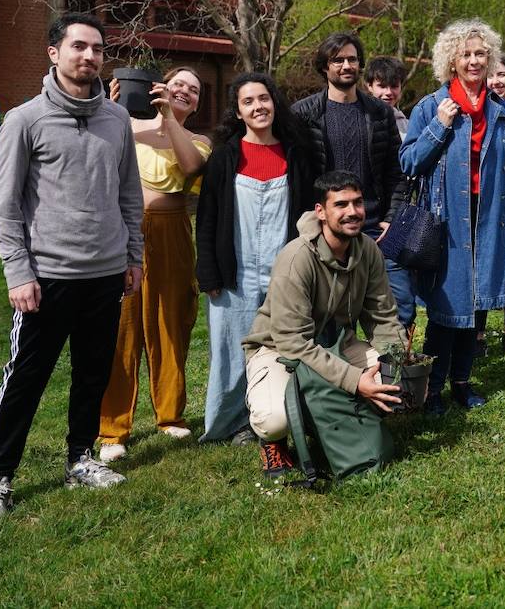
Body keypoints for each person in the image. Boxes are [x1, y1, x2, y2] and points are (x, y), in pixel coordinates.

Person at [0, 12, 143, 524]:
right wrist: (18, 273)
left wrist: (132, 256)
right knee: (25, 379)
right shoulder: (24, 120)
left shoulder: (117, 120)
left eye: (97, 48)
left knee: (92, 375)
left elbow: (129, 194)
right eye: (78, 47)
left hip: (106, 274)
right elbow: (4, 206)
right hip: (46, 279)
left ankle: (80, 460)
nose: (89, 56)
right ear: (54, 53)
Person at [399, 19, 505, 414]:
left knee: (477, 307)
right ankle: (432, 390)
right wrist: (440, 125)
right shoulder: (429, 107)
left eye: (480, 54)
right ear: (451, 61)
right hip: (446, 221)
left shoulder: (502, 112)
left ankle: (462, 382)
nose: (474, 61)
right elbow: (409, 163)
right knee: (445, 307)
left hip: (489, 218)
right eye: (466, 54)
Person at [242, 172, 405, 480]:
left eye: (357, 203)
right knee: (273, 418)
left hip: (337, 343)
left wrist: (397, 360)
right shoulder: (296, 258)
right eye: (340, 204)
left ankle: (330, 415)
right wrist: (356, 381)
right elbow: (294, 343)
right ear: (321, 212)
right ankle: (273, 441)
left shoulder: (368, 249)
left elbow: (382, 315)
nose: (352, 212)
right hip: (279, 350)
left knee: (392, 380)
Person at [195, 73, 318, 444]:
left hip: (285, 272)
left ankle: (280, 414)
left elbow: (309, 216)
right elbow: (207, 218)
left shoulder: (297, 154)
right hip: (236, 272)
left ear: (274, 103)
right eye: (248, 102)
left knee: (284, 346)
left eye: (263, 99)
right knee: (231, 352)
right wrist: (209, 273)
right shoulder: (224, 158)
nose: (258, 107)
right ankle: (229, 424)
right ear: (238, 111)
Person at [97, 67, 211, 463]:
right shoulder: (126, 123)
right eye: (178, 83)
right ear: (159, 86)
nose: (184, 91)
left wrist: (167, 119)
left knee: (170, 320)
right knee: (121, 327)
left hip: (171, 232)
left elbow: (192, 167)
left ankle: (170, 414)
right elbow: (98, 148)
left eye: (193, 90)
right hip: (124, 229)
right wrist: (109, 110)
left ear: (196, 103)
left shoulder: (198, 141)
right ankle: (112, 429)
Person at [290, 33, 403, 240]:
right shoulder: (303, 114)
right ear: (325, 66)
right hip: (323, 229)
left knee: (398, 273)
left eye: (352, 59)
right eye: (338, 60)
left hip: (374, 229)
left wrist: (391, 218)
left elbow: (395, 172)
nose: (347, 65)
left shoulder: (380, 113)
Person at [474, 52, 505, 357]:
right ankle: (477, 334)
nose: (495, 81)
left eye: (502, 75)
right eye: (490, 76)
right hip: (484, 200)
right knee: (481, 263)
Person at [365, 55, 410, 139]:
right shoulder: (359, 121)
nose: (388, 92)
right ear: (370, 86)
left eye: (394, 86)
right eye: (382, 86)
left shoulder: (409, 127)